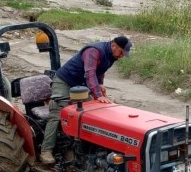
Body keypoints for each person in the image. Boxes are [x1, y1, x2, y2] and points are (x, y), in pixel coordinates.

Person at [40, 36, 133, 164]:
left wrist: (100, 85)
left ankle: (87, 148)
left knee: (92, 111)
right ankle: (46, 150)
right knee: (58, 111)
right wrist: (98, 94)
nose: (122, 56)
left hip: (80, 86)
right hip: (64, 82)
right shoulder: (93, 51)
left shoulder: (111, 56)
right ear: (114, 46)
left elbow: (100, 71)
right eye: (121, 52)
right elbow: (89, 73)